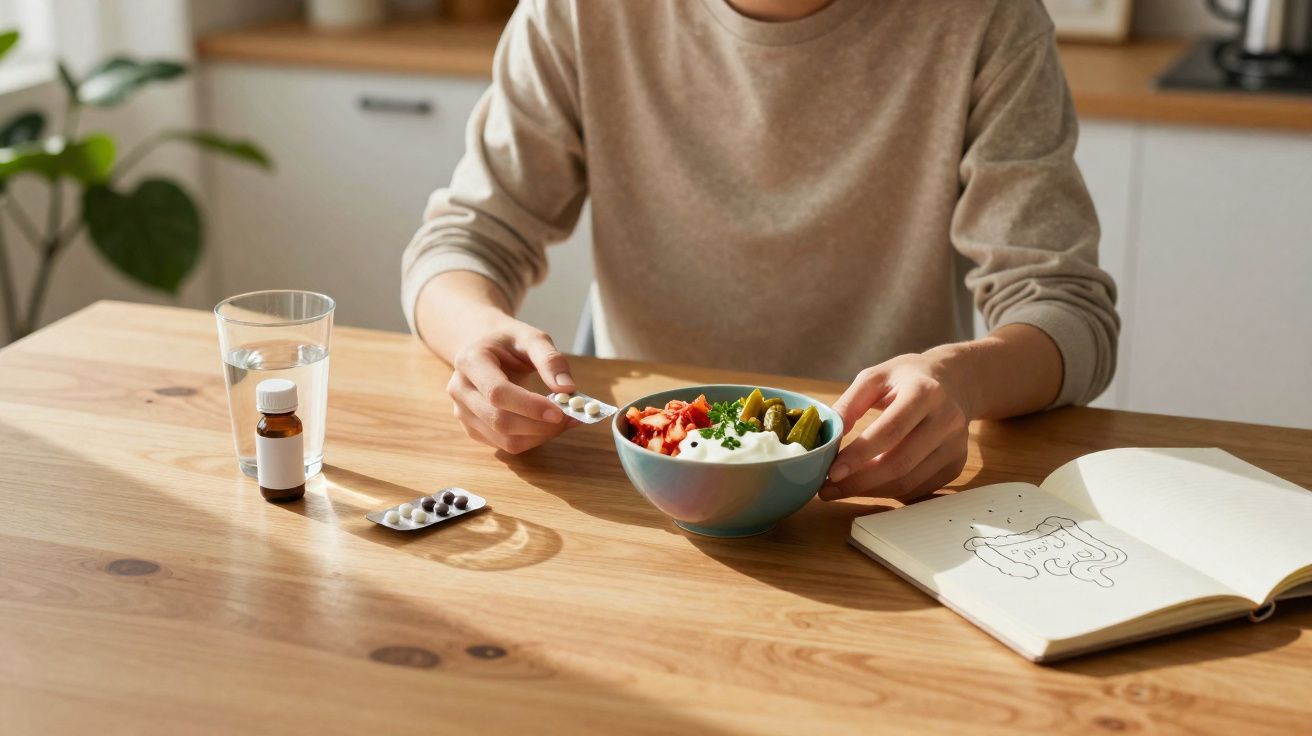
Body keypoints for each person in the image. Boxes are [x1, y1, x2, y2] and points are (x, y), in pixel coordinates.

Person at [402, 0, 1119, 503]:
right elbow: (464, 239)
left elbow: (1069, 312)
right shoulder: (578, 11)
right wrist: (474, 335)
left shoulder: (987, 19)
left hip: (876, 484)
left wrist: (961, 382)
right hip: (650, 486)